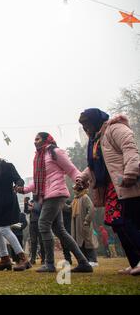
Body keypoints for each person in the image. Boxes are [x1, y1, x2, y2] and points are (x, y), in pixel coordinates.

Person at [17, 133, 93, 273]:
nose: (35, 142)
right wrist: (23, 189)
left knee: (43, 224)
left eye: (38, 139)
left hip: (56, 194)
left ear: (47, 140)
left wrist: (79, 179)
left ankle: (50, 263)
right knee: (60, 231)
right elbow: (38, 180)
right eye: (34, 139)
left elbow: (71, 169)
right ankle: (84, 263)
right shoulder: (39, 157)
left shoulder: (55, 152)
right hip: (49, 195)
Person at [77, 109, 140, 275]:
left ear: (96, 121)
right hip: (112, 187)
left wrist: (131, 172)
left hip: (125, 182)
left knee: (125, 220)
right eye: (83, 126)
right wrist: (82, 178)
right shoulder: (96, 140)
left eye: (87, 124)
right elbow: (95, 165)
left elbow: (130, 149)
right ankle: (135, 263)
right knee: (118, 224)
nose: (86, 129)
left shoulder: (115, 128)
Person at [0, 146, 31, 271]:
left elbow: (18, 179)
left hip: (7, 201)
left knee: (4, 229)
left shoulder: (7, 166)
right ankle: (5, 259)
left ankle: (23, 258)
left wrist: (18, 186)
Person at [71, 185, 99, 267]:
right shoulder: (76, 199)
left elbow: (92, 209)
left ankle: (93, 260)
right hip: (77, 225)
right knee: (80, 243)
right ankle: (86, 260)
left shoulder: (85, 197)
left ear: (79, 189)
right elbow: (70, 208)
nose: (74, 190)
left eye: (75, 189)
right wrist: (62, 206)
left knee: (88, 242)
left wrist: (87, 220)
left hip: (84, 224)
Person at [25, 199, 45, 265]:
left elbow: (40, 210)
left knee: (42, 241)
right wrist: (26, 204)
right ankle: (33, 259)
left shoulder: (41, 201)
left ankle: (43, 259)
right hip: (32, 224)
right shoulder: (32, 201)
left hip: (40, 223)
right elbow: (27, 211)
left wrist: (33, 207)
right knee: (33, 242)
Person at [61, 199, 73, 265]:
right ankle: (67, 259)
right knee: (65, 244)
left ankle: (68, 259)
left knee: (66, 244)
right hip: (66, 227)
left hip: (66, 226)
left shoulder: (64, 205)